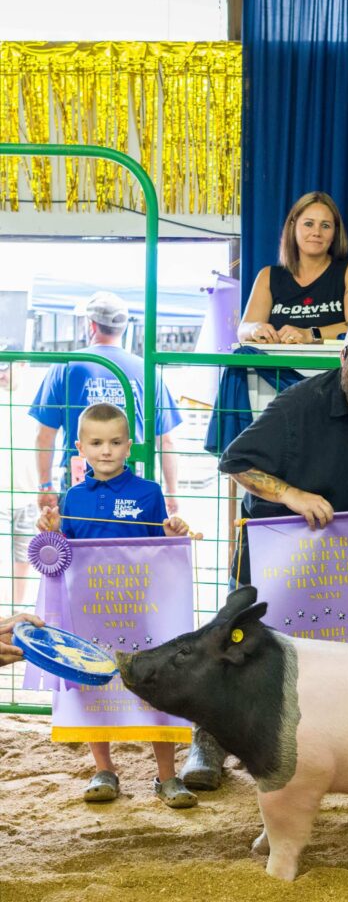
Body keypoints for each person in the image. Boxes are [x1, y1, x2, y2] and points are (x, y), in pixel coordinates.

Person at [180, 313, 348, 791]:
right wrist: (293, 495)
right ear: (345, 358)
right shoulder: (300, 404)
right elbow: (236, 461)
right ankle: (208, 742)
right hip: (281, 555)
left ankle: (344, 749)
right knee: (243, 644)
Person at [37, 402, 199, 809]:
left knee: (155, 686)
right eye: (96, 443)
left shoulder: (149, 493)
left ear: (129, 445)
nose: (105, 451)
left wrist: (172, 530)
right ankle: (104, 769)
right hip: (91, 613)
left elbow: (164, 547)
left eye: (114, 442)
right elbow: (64, 553)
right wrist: (52, 531)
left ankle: (166, 776)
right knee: (95, 684)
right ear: (80, 447)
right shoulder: (72, 498)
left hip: (142, 611)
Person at [29, 291, 182, 513]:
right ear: (124, 327)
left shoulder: (65, 366)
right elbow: (165, 441)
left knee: (79, 545)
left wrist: (45, 486)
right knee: (130, 546)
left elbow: (44, 435)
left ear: (91, 325)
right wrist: (172, 492)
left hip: (80, 483)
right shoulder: (147, 372)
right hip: (133, 483)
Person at [237, 191, 348, 345]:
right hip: (277, 366)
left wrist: (309, 334)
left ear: (335, 233)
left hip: (334, 367)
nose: (316, 232)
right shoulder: (267, 275)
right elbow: (243, 331)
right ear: (293, 227)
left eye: (325, 226)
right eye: (308, 224)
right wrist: (255, 328)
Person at [0, 361, 39, 605]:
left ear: (22, 365)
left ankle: (16, 612)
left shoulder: (34, 396)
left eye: (5, 367)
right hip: (1, 494)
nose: (0, 374)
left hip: (29, 493)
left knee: (25, 558)